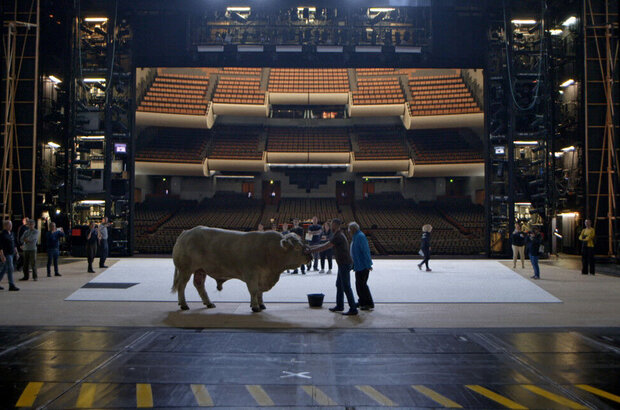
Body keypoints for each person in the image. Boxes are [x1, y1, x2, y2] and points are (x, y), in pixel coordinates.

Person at [311, 218, 358, 316]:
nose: (331, 226)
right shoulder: (338, 234)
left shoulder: (338, 236)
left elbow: (326, 246)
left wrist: (311, 250)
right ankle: (340, 306)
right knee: (339, 285)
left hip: (344, 263)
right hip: (343, 263)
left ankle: (353, 308)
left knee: (346, 286)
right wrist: (312, 248)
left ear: (336, 225)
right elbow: (325, 245)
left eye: (332, 225)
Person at [349, 222, 374, 311]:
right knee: (359, 285)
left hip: (363, 265)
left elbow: (365, 251)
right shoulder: (356, 236)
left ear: (353, 229)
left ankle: (368, 303)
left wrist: (368, 265)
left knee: (362, 285)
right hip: (358, 265)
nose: (348, 231)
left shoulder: (360, 236)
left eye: (349, 229)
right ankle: (362, 301)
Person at [0, 220, 20, 291]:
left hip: (12, 253)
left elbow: (14, 244)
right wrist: (2, 255)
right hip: (6, 254)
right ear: (5, 226)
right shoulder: (2, 234)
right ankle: (11, 285)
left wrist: (16, 252)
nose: (11, 226)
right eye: (9, 225)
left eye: (11, 225)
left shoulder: (11, 233)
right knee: (10, 269)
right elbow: (0, 246)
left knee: (4, 269)